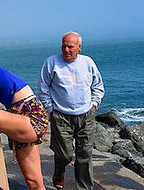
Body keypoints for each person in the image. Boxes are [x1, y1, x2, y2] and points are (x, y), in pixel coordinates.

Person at [38, 32, 105, 190]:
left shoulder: (87, 62)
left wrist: (94, 104)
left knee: (85, 155)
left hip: (86, 115)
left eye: (70, 47)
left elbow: (98, 86)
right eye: (64, 46)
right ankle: (58, 173)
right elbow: (43, 88)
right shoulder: (51, 62)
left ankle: (84, 188)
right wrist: (50, 109)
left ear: (79, 48)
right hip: (61, 116)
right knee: (65, 154)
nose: (66, 50)